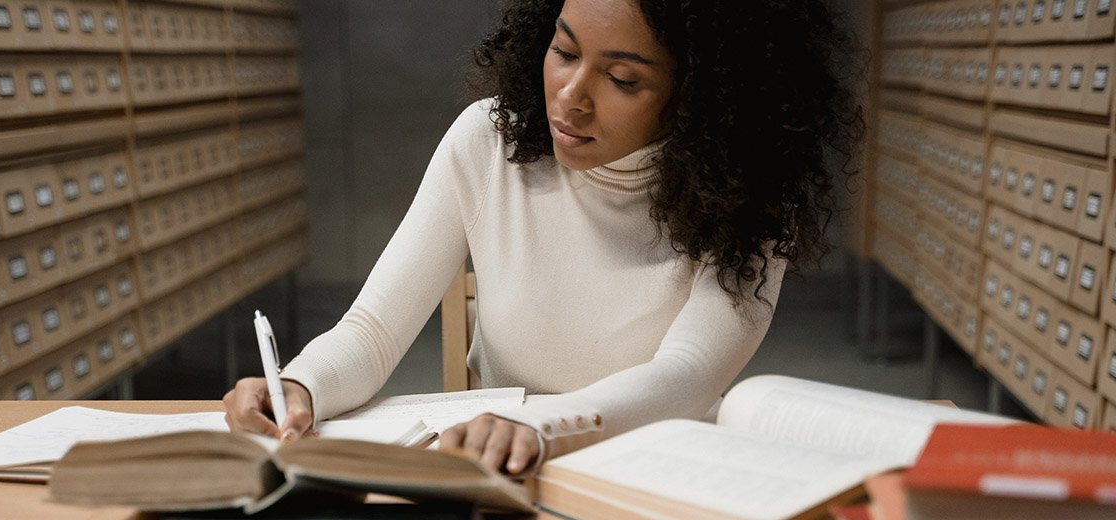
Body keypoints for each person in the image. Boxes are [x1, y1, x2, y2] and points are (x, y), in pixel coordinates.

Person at [225, 0, 863, 476]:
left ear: (701, 97)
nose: (571, 97)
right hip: (504, 476)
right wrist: (300, 386)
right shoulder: (489, 140)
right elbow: (373, 331)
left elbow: (686, 376)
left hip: (654, 473)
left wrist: (538, 428)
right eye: (564, 51)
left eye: (623, 80)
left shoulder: (750, 199)